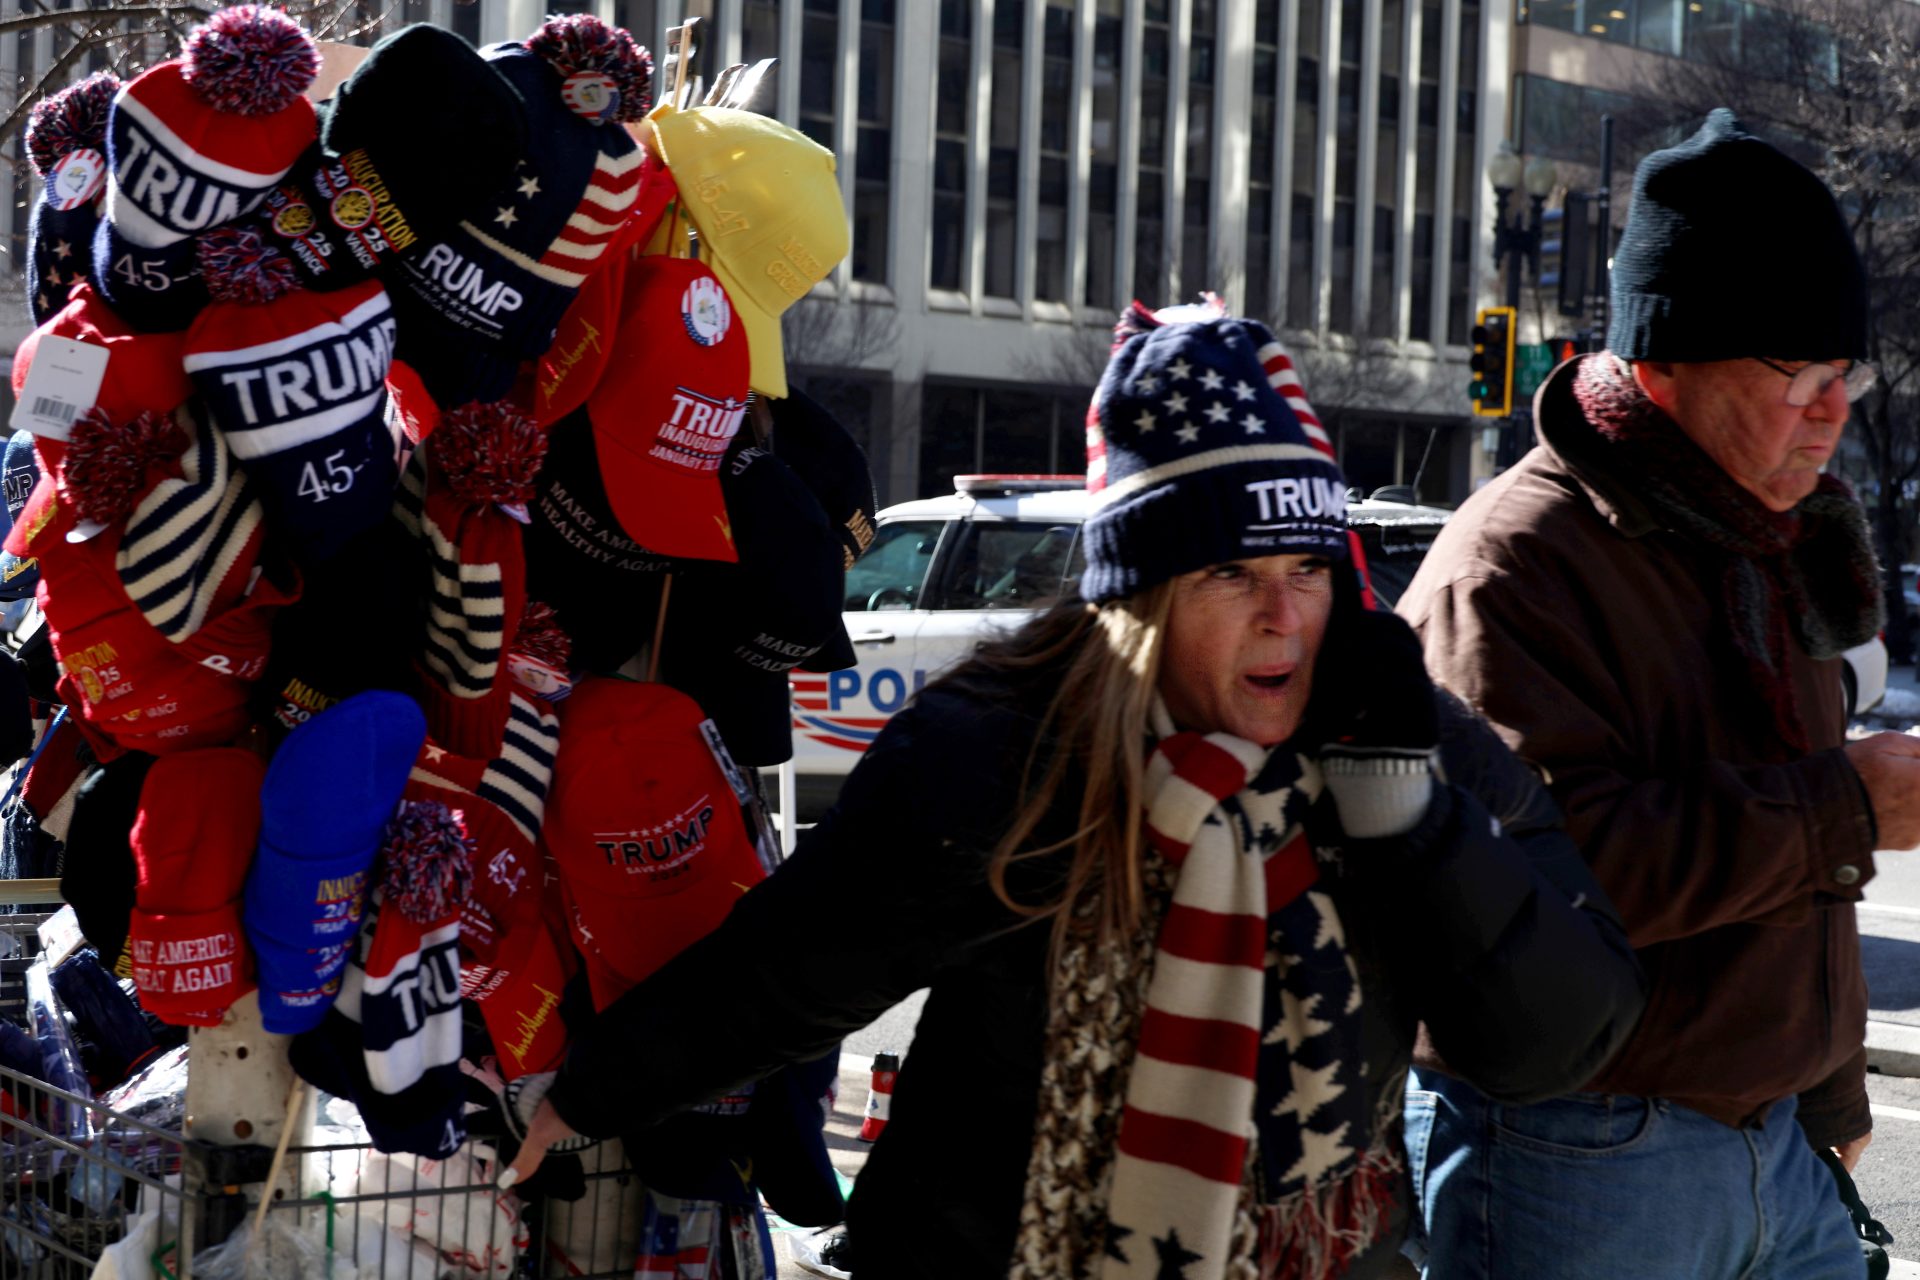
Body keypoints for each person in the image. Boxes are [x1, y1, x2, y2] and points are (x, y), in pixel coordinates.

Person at [503, 305, 1645, 1279]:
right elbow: (792, 968)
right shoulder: (1008, 751)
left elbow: (1558, 1038)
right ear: (1139, 598)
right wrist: (591, 1091)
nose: (1283, 617)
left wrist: (1416, 817)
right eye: (1229, 574)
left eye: (1305, 567)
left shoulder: (1395, 732)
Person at [1394, 109, 1920, 1279]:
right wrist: (1847, 806)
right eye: (1796, 372)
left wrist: (1825, 1088)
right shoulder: (1515, 562)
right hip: (1578, 1147)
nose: (1832, 407)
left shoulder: (1756, 535)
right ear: (1662, 362)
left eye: (1844, 372)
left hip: (1770, 1140)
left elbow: (1797, 893)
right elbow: (1537, 879)